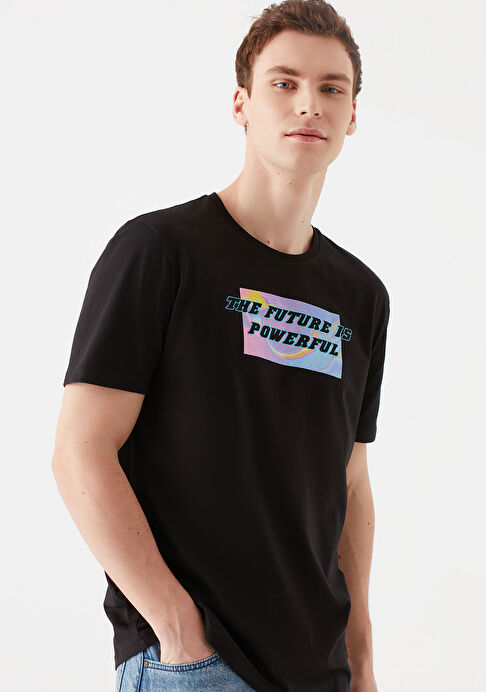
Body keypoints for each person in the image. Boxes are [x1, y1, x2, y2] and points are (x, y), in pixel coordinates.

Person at [51, 1, 390, 690]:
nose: (309, 103)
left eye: (331, 88)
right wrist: (177, 629)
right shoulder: (160, 252)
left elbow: (350, 482)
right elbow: (80, 451)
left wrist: (361, 659)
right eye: (283, 82)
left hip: (320, 670)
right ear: (241, 103)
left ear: (352, 115)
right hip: (201, 666)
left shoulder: (360, 295)